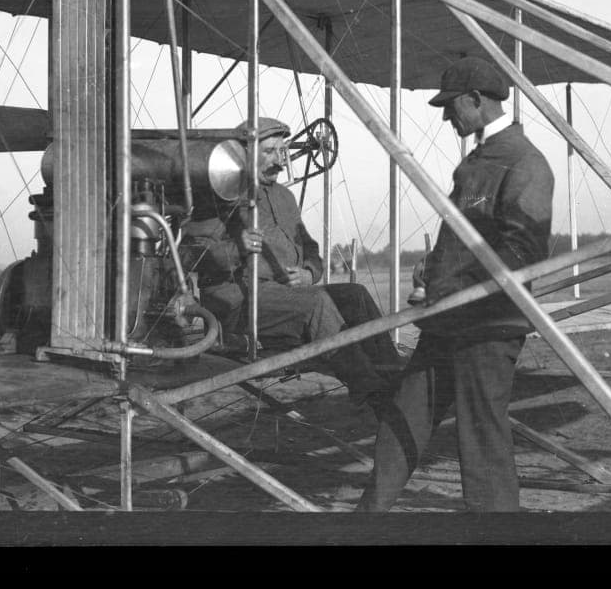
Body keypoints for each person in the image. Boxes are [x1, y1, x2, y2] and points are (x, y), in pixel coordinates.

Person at [357, 56, 554, 512]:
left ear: (475, 100)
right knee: (403, 420)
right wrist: (435, 267)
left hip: (487, 327)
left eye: (451, 107)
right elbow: (466, 239)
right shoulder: (480, 160)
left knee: (481, 437)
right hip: (448, 322)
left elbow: (522, 251)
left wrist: (455, 283)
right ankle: (364, 522)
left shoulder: (524, 162)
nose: (447, 117)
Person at [201, 116, 405, 404]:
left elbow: (310, 248)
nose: (280, 162)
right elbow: (188, 255)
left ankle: (395, 376)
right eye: (270, 152)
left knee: (354, 294)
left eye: (282, 153)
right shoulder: (220, 193)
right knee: (316, 304)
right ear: (244, 154)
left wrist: (310, 273)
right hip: (238, 304)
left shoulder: (284, 197)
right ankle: (370, 388)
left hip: (286, 297)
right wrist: (236, 248)